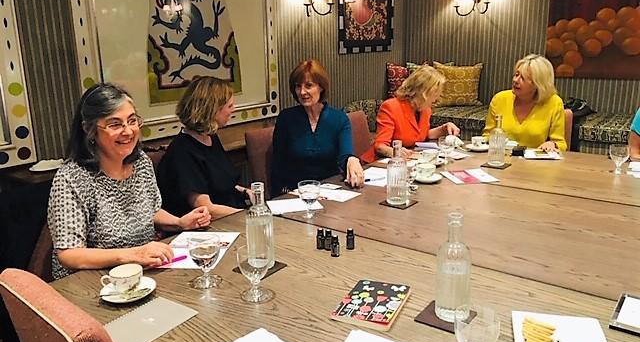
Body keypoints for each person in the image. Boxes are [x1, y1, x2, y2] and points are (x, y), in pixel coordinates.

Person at [48, 84, 210, 280]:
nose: (128, 131)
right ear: (89, 129)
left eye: (132, 121)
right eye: (115, 124)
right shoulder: (72, 177)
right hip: (91, 281)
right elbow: (69, 254)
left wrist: (179, 222)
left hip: (141, 273)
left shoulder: (141, 162)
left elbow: (150, 210)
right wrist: (134, 254)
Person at [157, 76, 253, 219]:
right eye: (230, 106)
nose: (233, 110)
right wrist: (250, 215)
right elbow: (206, 208)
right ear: (212, 110)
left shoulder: (210, 137)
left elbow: (220, 184)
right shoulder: (182, 151)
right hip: (209, 224)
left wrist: (245, 191)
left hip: (231, 215)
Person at [271, 59, 365, 196]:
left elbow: (345, 156)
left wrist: (352, 160)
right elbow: (277, 166)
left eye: (308, 85)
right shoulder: (286, 119)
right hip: (296, 193)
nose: (302, 92)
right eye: (298, 86)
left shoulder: (339, 119)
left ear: (321, 87)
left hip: (331, 191)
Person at [361, 65, 460, 163]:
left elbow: (420, 135)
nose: (436, 99)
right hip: (384, 163)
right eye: (434, 94)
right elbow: (380, 146)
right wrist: (396, 152)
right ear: (423, 93)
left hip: (411, 161)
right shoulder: (391, 107)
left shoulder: (425, 109)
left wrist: (444, 129)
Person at [482, 54, 567, 152]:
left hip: (535, 160)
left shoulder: (554, 103)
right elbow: (487, 135)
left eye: (523, 78)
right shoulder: (499, 99)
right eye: (516, 75)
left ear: (538, 84)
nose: (515, 80)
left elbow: (560, 144)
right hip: (502, 157)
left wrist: (552, 144)